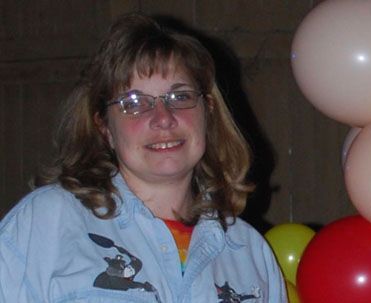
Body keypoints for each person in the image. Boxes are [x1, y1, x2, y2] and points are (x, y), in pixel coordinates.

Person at [0, 13, 288, 303]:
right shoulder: (48, 223)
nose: (163, 119)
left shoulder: (250, 253)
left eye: (180, 97)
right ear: (104, 127)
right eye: (134, 103)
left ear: (208, 111)